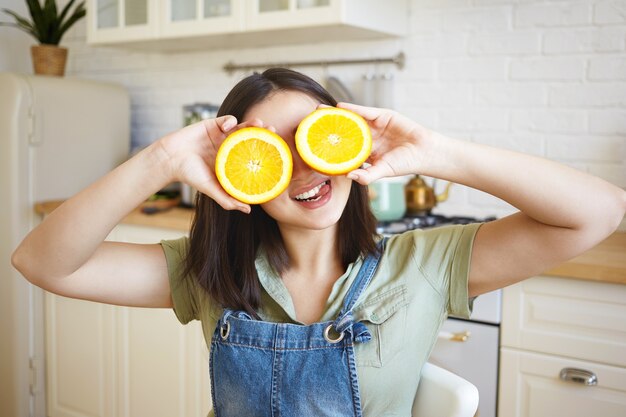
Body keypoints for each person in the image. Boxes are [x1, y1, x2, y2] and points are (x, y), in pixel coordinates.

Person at [12, 68, 626, 417]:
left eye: (314, 138)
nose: (304, 168)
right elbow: (41, 262)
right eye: (273, 150)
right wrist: (163, 159)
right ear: (242, 169)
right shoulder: (207, 272)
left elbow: (598, 213)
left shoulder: (424, 265)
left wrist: (438, 153)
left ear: (346, 143)